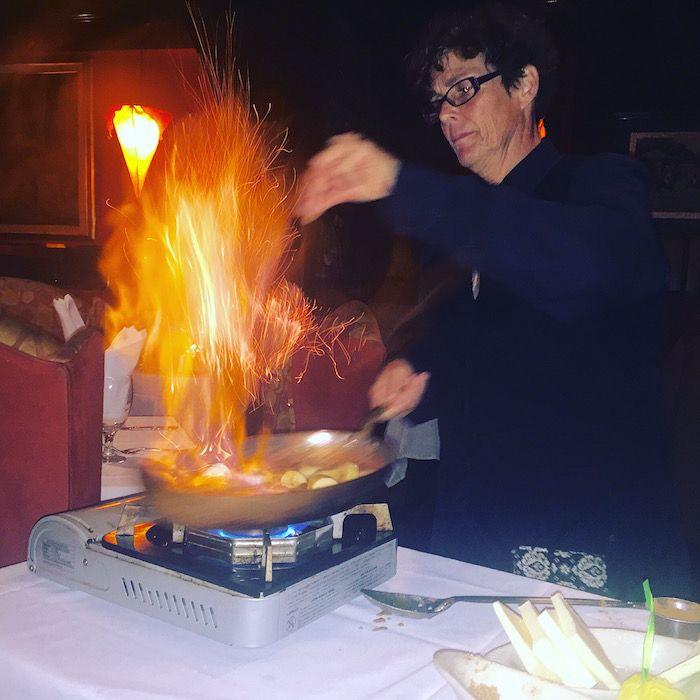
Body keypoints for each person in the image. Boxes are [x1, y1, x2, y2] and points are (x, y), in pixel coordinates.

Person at [295, 3, 693, 600]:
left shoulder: (601, 186)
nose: (448, 116)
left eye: (463, 88)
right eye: (438, 103)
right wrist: (421, 368)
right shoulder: (476, 228)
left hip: (590, 540)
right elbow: (491, 337)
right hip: (479, 529)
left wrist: (403, 187)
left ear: (524, 84)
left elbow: (579, 268)